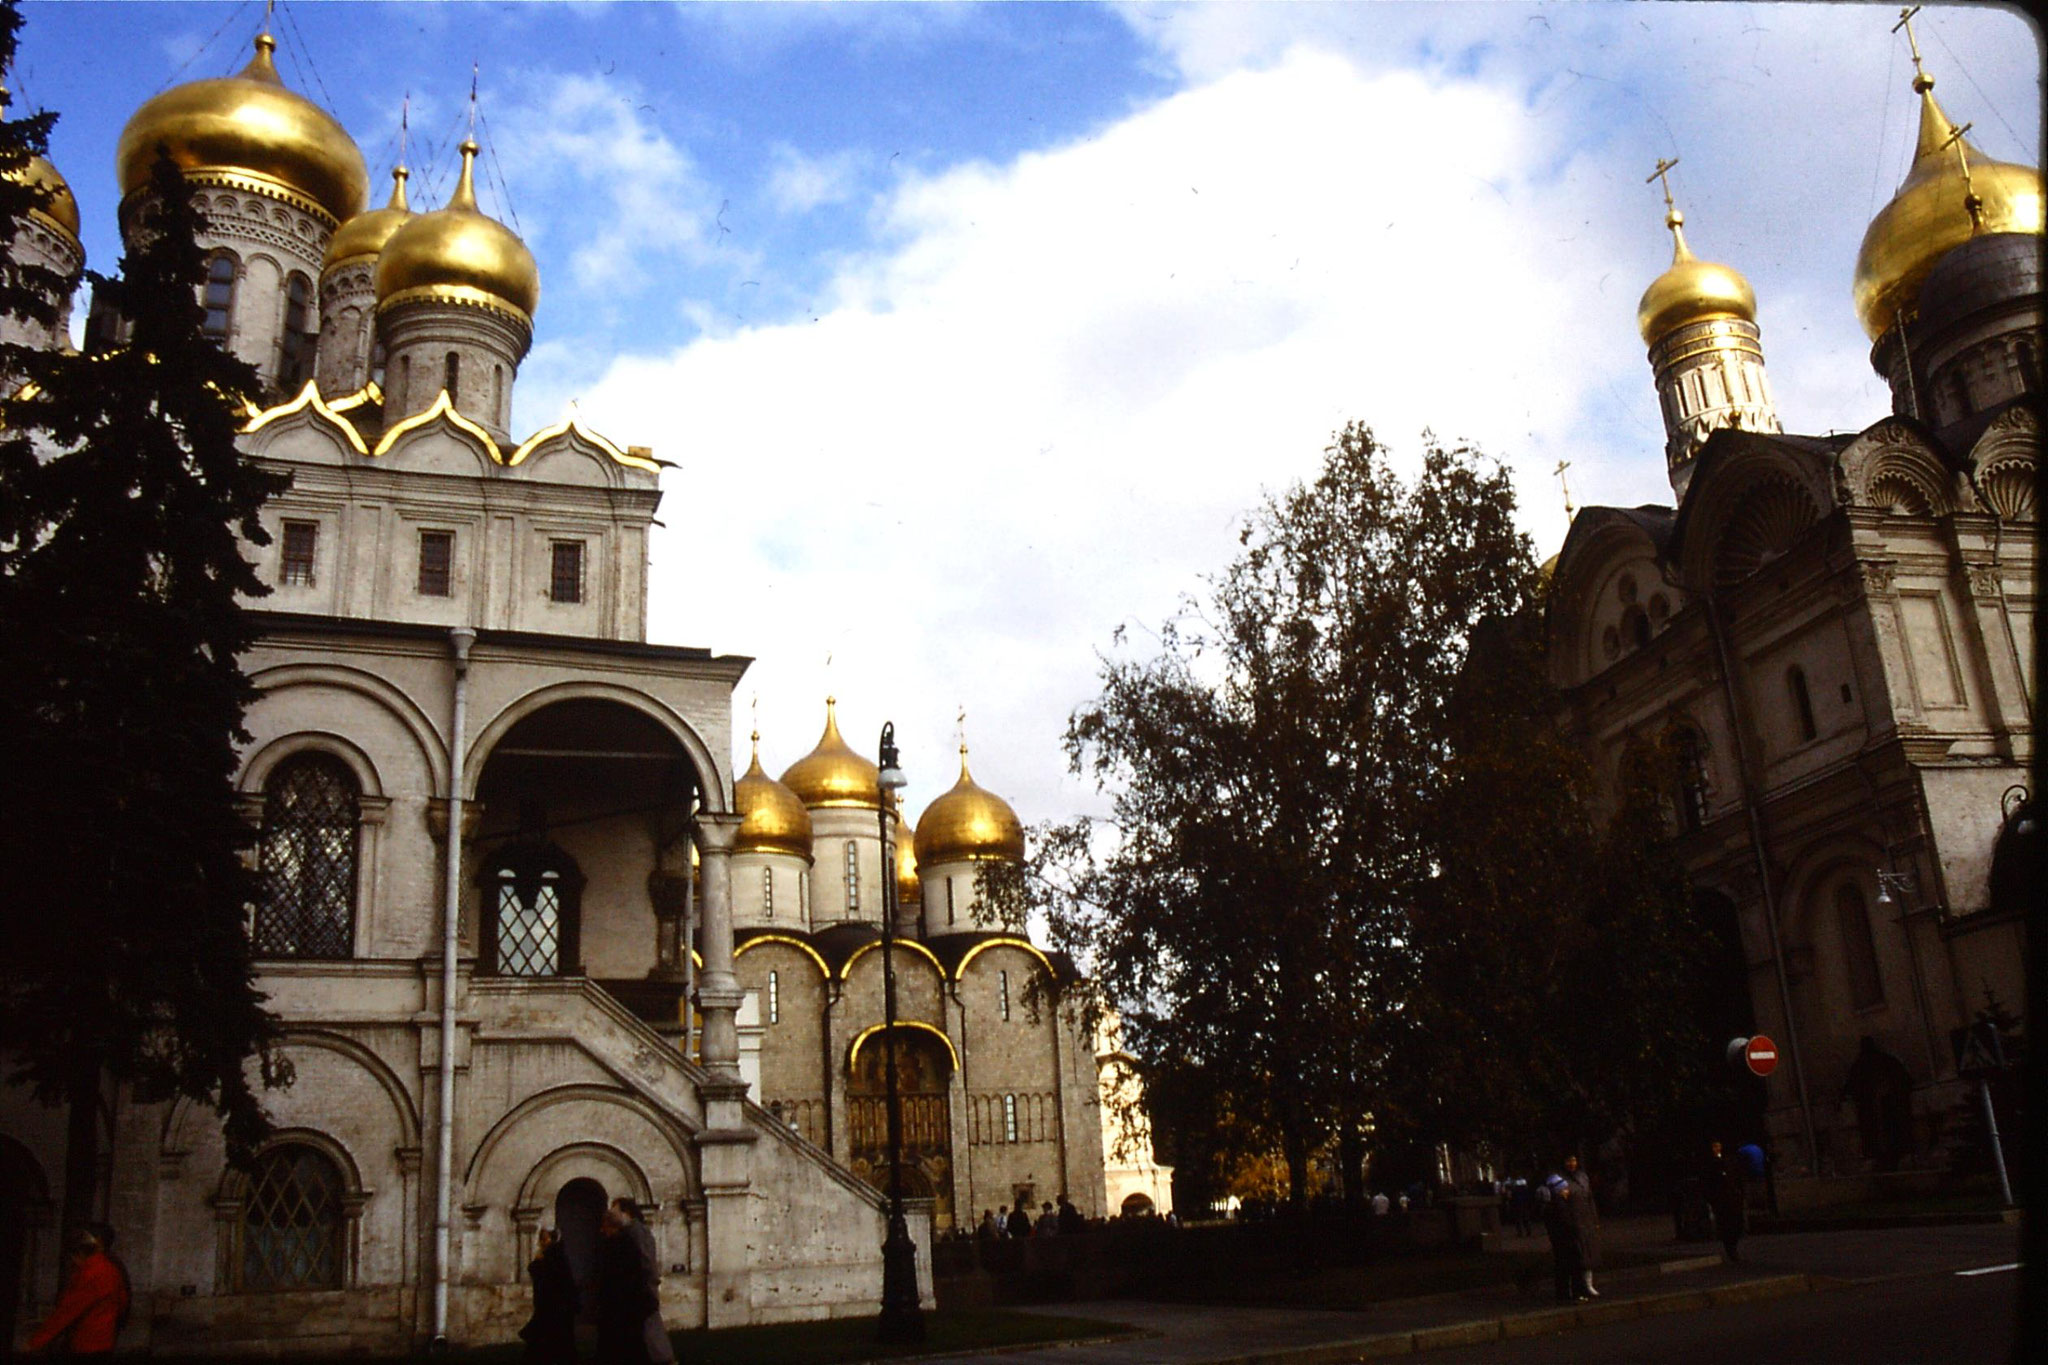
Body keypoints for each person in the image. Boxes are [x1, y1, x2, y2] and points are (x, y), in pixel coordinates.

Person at [25, 1226, 130, 1355]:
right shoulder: (111, 1267)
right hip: (105, 1338)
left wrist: (36, 1342)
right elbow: (122, 1301)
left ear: (79, 1254)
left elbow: (68, 1311)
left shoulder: (90, 1273)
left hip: (86, 1340)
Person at [520, 1227, 579, 1364]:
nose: (542, 1242)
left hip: (554, 1307)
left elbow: (547, 1276)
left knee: (552, 1341)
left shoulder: (554, 1257)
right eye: (541, 1239)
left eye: (545, 1239)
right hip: (551, 1306)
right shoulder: (552, 1256)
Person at [1541, 1176, 1587, 1304]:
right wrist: (1576, 1232)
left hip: (1560, 1242)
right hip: (1567, 1241)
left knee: (1562, 1270)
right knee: (1573, 1268)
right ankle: (1575, 1294)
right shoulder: (1560, 1205)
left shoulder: (1553, 1205)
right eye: (1564, 1188)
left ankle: (1564, 1294)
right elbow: (1568, 1224)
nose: (1567, 1190)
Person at [1562, 1155, 1600, 1297]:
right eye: (1568, 1160)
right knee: (1579, 1254)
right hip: (1574, 1221)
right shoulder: (1561, 1180)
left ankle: (1588, 1284)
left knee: (1589, 1253)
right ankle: (1579, 1287)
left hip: (1586, 1220)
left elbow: (1590, 1199)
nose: (1572, 1164)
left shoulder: (1582, 1177)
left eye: (1574, 1160)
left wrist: (1594, 1219)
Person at [1706, 1141, 1747, 1264]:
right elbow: (1710, 1182)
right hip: (1722, 1199)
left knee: (1737, 1223)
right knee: (1727, 1224)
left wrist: (1740, 1193)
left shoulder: (1730, 1161)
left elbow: (1738, 1177)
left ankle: (1732, 1246)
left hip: (1733, 1197)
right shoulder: (1713, 1163)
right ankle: (1731, 1249)